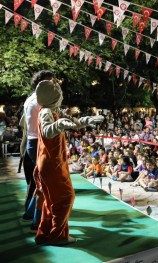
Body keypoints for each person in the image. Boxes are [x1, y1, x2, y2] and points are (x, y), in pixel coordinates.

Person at [34, 80, 103, 245]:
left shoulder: (53, 110)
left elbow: (74, 122)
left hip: (54, 161)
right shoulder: (46, 113)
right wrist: (59, 124)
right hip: (52, 163)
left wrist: (88, 120)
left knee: (51, 201)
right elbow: (47, 131)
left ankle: (44, 234)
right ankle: (58, 236)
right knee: (65, 198)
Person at [20, 70, 55, 230]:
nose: (53, 84)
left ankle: (29, 213)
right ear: (41, 83)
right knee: (44, 183)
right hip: (38, 143)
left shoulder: (30, 99)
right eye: (49, 81)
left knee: (38, 182)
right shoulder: (39, 102)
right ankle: (37, 221)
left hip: (33, 143)